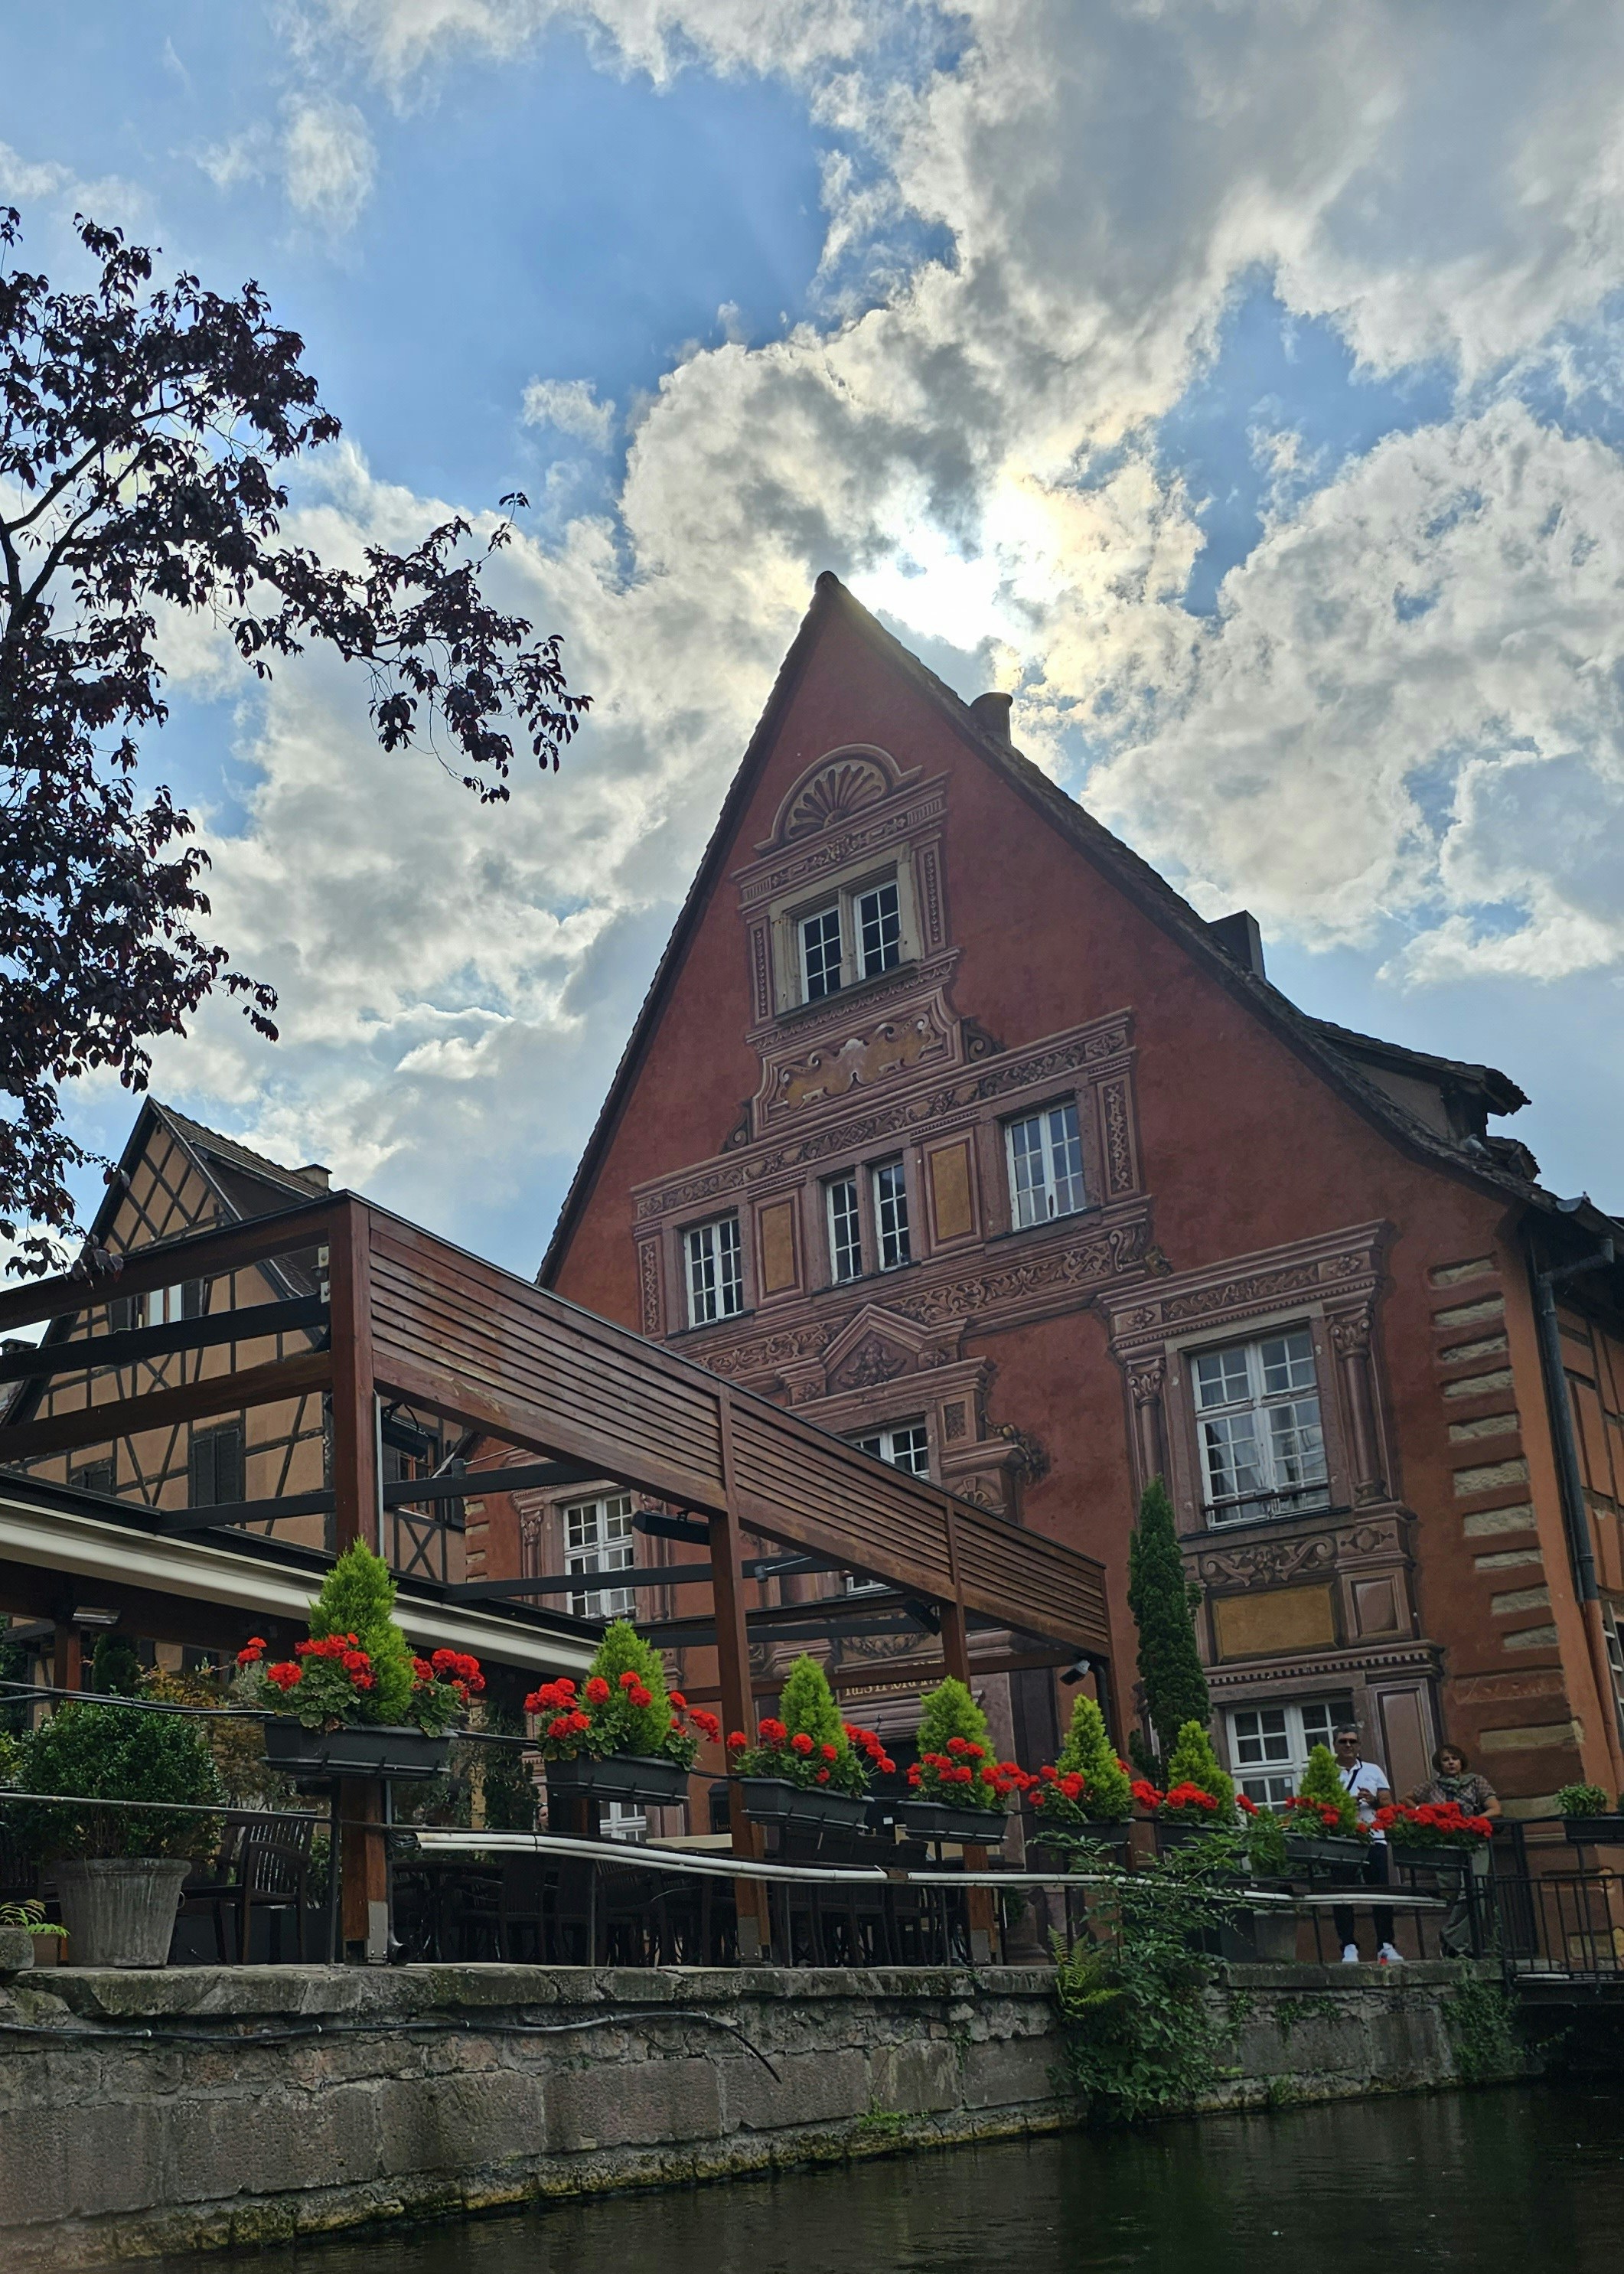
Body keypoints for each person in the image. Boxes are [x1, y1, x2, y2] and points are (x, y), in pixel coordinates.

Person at [1409, 1744, 1500, 1956]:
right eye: (1446, 1759)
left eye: (1454, 1758)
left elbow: (1495, 1809)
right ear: (1439, 1765)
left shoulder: (1476, 1781)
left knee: (1476, 1890)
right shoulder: (1432, 1787)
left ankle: (1451, 1938)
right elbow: (1408, 1798)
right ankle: (1460, 1945)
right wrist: (1422, 1811)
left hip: (1473, 1841)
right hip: (1446, 1843)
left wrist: (1472, 1821)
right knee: (1454, 1891)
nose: (1451, 1762)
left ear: (1461, 1762)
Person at [1329, 1722, 1402, 1964]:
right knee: (1342, 1893)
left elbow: (1388, 1803)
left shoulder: (1372, 1770)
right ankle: (1348, 1945)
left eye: (1352, 1741)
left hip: (1373, 1837)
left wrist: (1372, 1801)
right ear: (1335, 1745)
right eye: (1343, 1741)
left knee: (1380, 1891)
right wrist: (1343, 1805)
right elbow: (1315, 1804)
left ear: (1359, 1745)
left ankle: (1386, 1945)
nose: (1348, 1745)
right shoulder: (1326, 1771)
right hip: (1341, 1840)